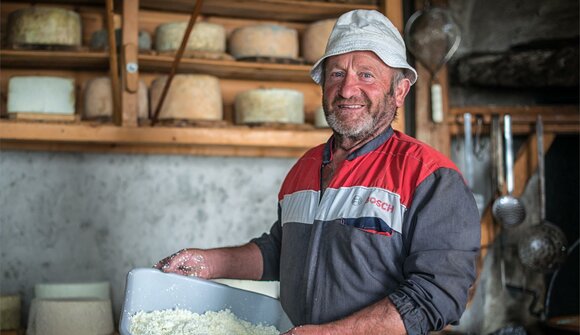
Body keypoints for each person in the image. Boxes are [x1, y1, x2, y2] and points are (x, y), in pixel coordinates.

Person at [155, 9, 480, 335]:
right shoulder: (304, 168)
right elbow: (281, 251)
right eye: (336, 74)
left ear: (399, 91)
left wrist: (336, 333)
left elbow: (439, 294)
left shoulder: (430, 178)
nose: (347, 89)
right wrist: (210, 263)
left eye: (366, 75)